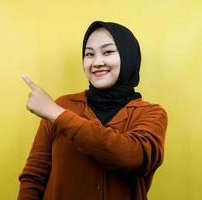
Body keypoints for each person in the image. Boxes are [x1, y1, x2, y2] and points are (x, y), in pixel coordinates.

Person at [17, 21, 168, 200]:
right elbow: (34, 177)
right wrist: (57, 110)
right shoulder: (63, 104)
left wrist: (57, 114)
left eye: (108, 52)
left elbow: (130, 157)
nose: (97, 62)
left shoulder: (151, 114)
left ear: (128, 56)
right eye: (89, 54)